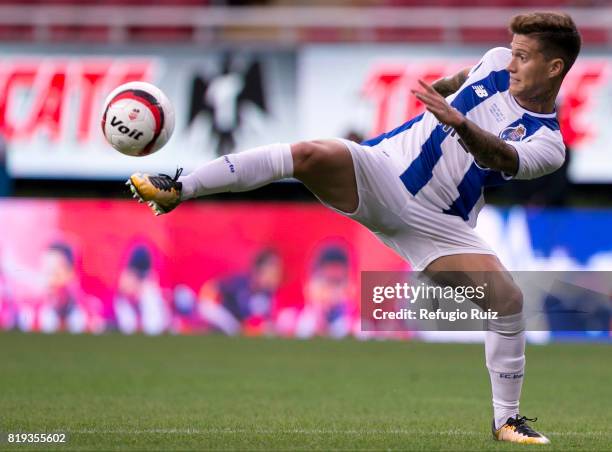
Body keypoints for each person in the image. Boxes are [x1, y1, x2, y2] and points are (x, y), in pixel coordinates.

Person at [128, 12, 581, 445]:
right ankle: (179, 187)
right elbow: (475, 72)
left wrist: (458, 121)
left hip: (441, 224)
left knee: (507, 301)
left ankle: (507, 421)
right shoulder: (498, 61)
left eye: (524, 56)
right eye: (513, 51)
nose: (512, 60)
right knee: (308, 154)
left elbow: (502, 158)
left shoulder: (548, 144)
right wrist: (450, 85)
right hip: (384, 170)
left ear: (554, 67)